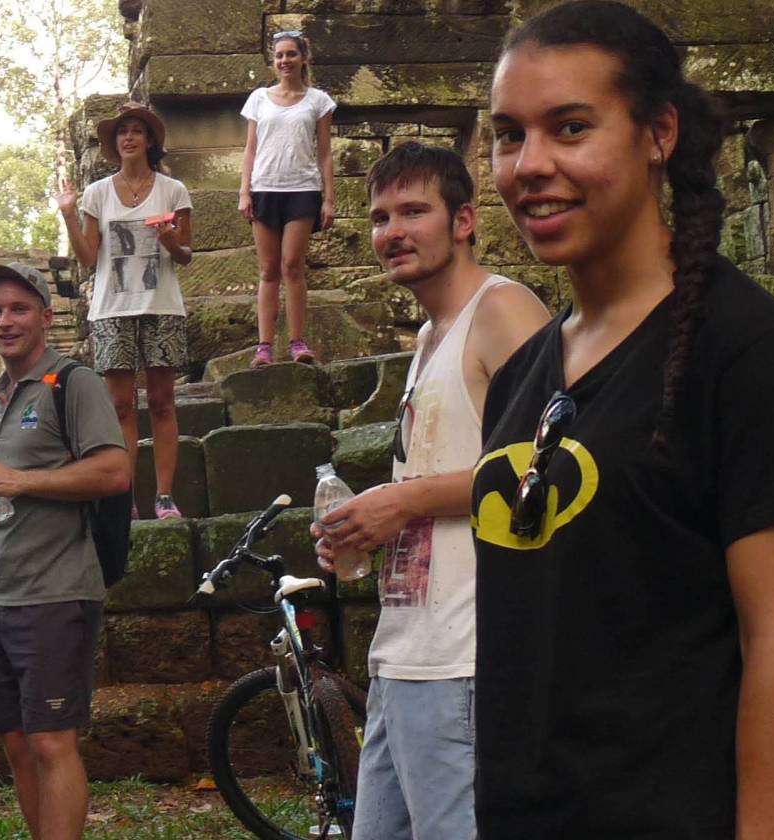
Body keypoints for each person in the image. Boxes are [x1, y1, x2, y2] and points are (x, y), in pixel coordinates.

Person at [469, 2, 774, 836]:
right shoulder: (525, 374)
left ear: (658, 132)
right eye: (508, 134)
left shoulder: (742, 351)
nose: (529, 165)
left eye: (570, 128)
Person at [311, 142, 548, 839]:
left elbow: (557, 467)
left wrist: (403, 501)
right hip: (406, 649)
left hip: (468, 656)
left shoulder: (503, 310)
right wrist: (368, 524)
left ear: (465, 219)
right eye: (381, 217)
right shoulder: (427, 337)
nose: (394, 232)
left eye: (415, 211)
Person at [0, 264, 132, 840]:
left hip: (57, 591)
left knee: (51, 740)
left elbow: (115, 470)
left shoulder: (72, 382)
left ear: (46, 317)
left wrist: (23, 482)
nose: (5, 321)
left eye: (19, 308)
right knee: (17, 744)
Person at [56, 101, 194, 519]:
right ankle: (127, 497)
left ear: (150, 140)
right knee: (120, 406)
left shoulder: (174, 191)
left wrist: (169, 240)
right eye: (122, 132)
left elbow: (185, 255)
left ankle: (165, 496)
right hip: (111, 307)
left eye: (136, 131)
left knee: (162, 401)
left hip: (161, 303)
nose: (128, 137)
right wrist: (67, 214)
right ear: (115, 144)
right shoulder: (97, 194)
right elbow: (87, 257)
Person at [239, 30, 336, 367]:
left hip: (303, 190)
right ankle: (264, 346)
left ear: (303, 58)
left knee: (292, 266)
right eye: (279, 55)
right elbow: (250, 150)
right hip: (265, 188)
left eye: (291, 54)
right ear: (274, 60)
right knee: (268, 270)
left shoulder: (318, 101)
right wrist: (244, 192)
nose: (285, 61)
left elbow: (324, 153)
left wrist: (329, 199)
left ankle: (297, 342)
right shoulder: (258, 99)